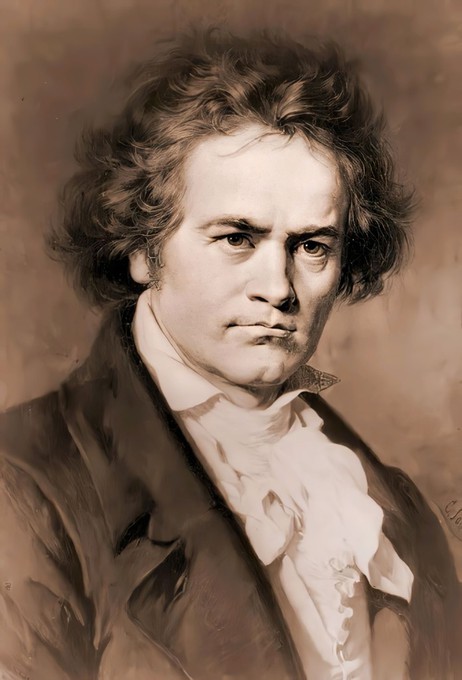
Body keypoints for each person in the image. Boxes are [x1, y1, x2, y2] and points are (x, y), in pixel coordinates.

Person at [0, 30, 460, 680]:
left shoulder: (392, 509)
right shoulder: (24, 485)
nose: (278, 288)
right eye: (238, 238)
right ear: (144, 249)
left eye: (311, 246)